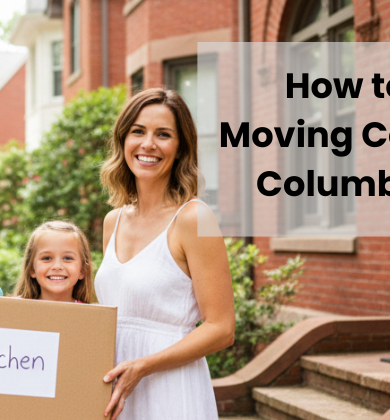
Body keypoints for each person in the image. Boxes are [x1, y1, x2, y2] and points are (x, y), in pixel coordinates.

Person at [95, 88, 235, 420]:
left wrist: (143, 367)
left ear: (180, 148)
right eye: (138, 131)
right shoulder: (112, 221)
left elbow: (221, 327)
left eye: (163, 134)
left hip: (170, 390)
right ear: (123, 140)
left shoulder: (193, 218)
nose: (148, 144)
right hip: (115, 390)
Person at [14, 221, 94, 303]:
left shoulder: (91, 315)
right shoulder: (14, 309)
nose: (57, 266)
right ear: (32, 269)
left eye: (67, 258)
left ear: (82, 270)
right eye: (47, 258)